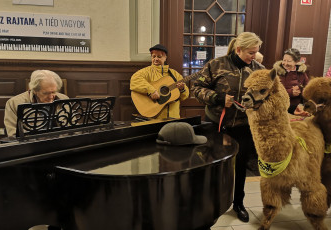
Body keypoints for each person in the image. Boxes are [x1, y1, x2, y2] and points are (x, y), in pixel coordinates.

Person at [192, 32, 264, 222]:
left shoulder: (259, 70)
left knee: (240, 167)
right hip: (216, 123)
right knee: (212, 164)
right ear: (238, 49)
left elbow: (267, 96)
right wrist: (218, 98)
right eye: (251, 52)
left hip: (243, 127)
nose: (254, 56)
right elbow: (197, 88)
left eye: (256, 52)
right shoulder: (216, 65)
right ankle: (209, 202)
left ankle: (238, 203)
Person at [130, 44, 189, 119]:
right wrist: (151, 90)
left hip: (174, 117)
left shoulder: (175, 74)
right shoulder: (145, 72)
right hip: (155, 118)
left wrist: (182, 89)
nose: (156, 59)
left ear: (165, 58)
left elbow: (184, 97)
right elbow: (134, 81)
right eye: (154, 56)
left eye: (159, 56)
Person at [4, 70, 68, 137]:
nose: (51, 97)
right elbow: (13, 135)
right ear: (34, 90)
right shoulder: (14, 103)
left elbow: (73, 126)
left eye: (54, 92)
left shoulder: (64, 99)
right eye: (46, 93)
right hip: (31, 145)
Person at [273, 48, 309, 114]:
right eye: (284, 60)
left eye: (289, 61)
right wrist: (290, 92)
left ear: (296, 62)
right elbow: (273, 91)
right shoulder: (276, 73)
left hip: (298, 107)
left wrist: (300, 90)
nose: (285, 63)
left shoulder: (302, 73)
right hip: (280, 108)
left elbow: (307, 89)